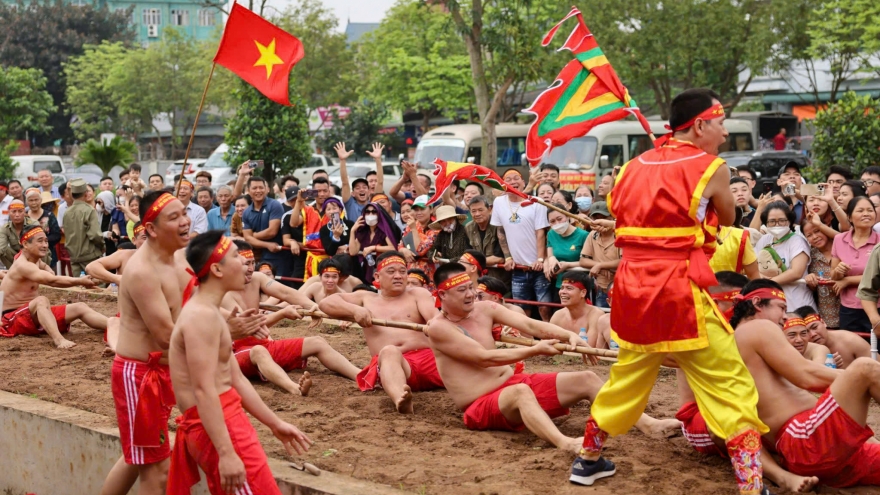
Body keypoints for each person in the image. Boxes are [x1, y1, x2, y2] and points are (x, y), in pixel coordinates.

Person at [571, 89, 769, 494]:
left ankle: (587, 460)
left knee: (625, 378)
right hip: (678, 290)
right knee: (731, 383)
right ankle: (752, 486)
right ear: (700, 125)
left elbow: (622, 213)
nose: (726, 132)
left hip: (632, 290)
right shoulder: (712, 167)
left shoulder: (630, 167)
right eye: (720, 122)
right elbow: (730, 218)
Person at [426, 263, 679, 450]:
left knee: (587, 378)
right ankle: (564, 442)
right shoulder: (438, 327)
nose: (470, 294)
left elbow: (534, 326)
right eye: (461, 291)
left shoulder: (485, 308)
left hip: (512, 384)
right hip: (480, 405)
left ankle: (648, 424)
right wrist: (535, 349)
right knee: (520, 393)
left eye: (471, 288)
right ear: (443, 295)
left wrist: (568, 336)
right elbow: (483, 358)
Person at [166, 232, 311, 494]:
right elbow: (204, 390)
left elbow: (235, 379)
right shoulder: (201, 317)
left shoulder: (210, 312)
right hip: (219, 429)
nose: (246, 263)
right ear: (216, 269)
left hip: (227, 423)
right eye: (236, 257)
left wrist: (275, 423)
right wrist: (226, 452)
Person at [731, 279, 880, 490]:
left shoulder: (738, 341)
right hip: (806, 441)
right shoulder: (757, 326)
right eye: (781, 307)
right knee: (865, 368)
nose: (785, 316)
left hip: (820, 452)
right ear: (757, 303)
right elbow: (806, 376)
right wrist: (854, 379)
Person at [676, 280, 821, 494]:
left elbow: (816, 353)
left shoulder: (755, 333)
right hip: (699, 417)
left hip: (734, 409)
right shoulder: (706, 333)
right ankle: (781, 477)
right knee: (738, 420)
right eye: (781, 308)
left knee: (754, 417)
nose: (784, 317)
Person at [102, 190, 190, 495]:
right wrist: (223, 332)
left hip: (167, 373)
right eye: (174, 217)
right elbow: (166, 336)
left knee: (138, 456)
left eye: (184, 213)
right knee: (156, 467)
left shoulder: (178, 257)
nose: (185, 222)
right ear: (151, 229)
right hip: (140, 376)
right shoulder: (141, 270)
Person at [222, 240, 360, 396]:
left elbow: (287, 293)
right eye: (246, 264)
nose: (251, 268)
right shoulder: (223, 290)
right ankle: (294, 388)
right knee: (259, 351)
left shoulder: (257, 278)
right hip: (238, 353)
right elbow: (246, 327)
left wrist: (312, 307)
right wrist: (282, 313)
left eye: (253, 263)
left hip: (265, 344)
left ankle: (361, 375)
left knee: (317, 342)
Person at [318, 252, 442, 414]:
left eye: (402, 271)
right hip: (394, 366)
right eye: (391, 272)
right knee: (389, 351)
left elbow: (435, 319)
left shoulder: (418, 294)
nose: (398, 276)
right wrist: (355, 310)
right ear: (377, 276)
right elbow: (326, 303)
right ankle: (400, 398)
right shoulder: (366, 298)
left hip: (428, 359)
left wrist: (434, 324)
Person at [0, 224, 104, 347]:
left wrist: (48, 268)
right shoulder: (23, 265)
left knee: (79, 307)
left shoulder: (32, 258)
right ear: (25, 244)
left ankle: (116, 324)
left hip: (32, 316)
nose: (45, 245)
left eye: (46, 241)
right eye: (40, 241)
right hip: (12, 320)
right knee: (41, 301)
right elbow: (52, 281)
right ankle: (59, 340)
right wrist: (80, 281)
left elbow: (42, 266)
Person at [492, 169, 552, 321]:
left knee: (544, 308)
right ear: (503, 185)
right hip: (518, 268)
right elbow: (501, 232)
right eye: (508, 179)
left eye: (516, 178)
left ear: (524, 182)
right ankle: (527, 339)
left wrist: (540, 259)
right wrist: (508, 257)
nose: (513, 182)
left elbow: (540, 233)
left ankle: (550, 338)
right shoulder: (499, 202)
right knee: (521, 310)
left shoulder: (536, 202)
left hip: (538, 267)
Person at [830, 196, 879, 332]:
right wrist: (839, 272)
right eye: (860, 210)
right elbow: (833, 275)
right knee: (850, 348)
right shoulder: (839, 239)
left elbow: (876, 277)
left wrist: (847, 280)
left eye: (870, 210)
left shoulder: (879, 242)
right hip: (848, 308)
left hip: (876, 307)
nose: (866, 214)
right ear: (850, 217)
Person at [754, 201, 815, 310]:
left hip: (797, 303)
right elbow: (754, 266)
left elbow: (796, 272)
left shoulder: (797, 241)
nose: (777, 224)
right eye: (772, 221)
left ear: (790, 221)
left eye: (782, 220)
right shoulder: (764, 240)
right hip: (771, 303)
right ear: (765, 223)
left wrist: (765, 282)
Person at [794, 306, 870, 369]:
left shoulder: (851, 340)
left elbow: (876, 367)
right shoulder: (799, 350)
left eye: (815, 327)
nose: (813, 334)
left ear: (823, 322)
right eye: (805, 332)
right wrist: (827, 368)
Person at [288, 177, 332, 280]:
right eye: (318, 191)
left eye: (325, 191)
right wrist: (298, 202)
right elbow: (293, 223)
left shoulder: (336, 209)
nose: (322, 194)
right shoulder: (308, 210)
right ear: (313, 192)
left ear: (329, 191)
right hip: (312, 257)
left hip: (330, 257)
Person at [242, 176, 287, 273]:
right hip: (258, 257)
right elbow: (247, 239)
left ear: (266, 189)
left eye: (261, 187)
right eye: (254, 188)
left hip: (279, 256)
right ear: (248, 191)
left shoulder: (274, 205)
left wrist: (254, 235)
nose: (258, 191)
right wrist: (267, 245)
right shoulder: (246, 212)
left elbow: (271, 232)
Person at [578, 202, 619, 308]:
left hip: (620, 288)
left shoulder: (620, 235)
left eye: (604, 217)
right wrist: (600, 265)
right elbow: (583, 260)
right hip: (602, 288)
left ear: (613, 218)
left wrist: (600, 266)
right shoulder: (592, 235)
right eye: (596, 218)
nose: (600, 222)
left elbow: (625, 260)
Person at [549, 271, 606, 346]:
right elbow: (546, 345)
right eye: (562, 288)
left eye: (569, 288)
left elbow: (589, 348)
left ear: (583, 293)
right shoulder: (558, 315)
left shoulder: (596, 315)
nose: (563, 292)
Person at [62, 179, 104, 276]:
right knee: (97, 284)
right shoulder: (89, 210)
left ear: (72, 194)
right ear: (85, 193)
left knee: (79, 285)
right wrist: (102, 246)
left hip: (74, 255)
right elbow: (95, 235)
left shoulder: (67, 212)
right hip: (90, 255)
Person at [802, 221, 840, 328]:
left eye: (817, 231)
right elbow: (812, 290)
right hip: (827, 319)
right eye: (809, 235)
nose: (814, 237)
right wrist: (809, 280)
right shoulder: (809, 256)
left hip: (850, 312)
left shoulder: (843, 247)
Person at [349, 202, 398, 285]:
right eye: (367, 212)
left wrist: (373, 248)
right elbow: (353, 252)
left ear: (379, 214)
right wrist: (352, 231)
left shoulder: (383, 231)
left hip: (381, 268)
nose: (370, 214)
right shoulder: (363, 232)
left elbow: (393, 248)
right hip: (364, 269)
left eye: (374, 212)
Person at [545, 205, 588, 295]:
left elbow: (590, 262)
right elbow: (550, 254)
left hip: (580, 284)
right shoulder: (551, 234)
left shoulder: (584, 235)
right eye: (552, 221)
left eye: (559, 219)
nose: (557, 223)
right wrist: (551, 258)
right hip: (561, 284)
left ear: (567, 216)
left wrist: (568, 265)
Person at [0, 200, 49, 269]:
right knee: (4, 250)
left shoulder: (33, 224)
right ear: (9, 213)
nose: (17, 215)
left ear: (25, 213)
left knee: (41, 248)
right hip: (16, 256)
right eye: (14, 211)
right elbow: (1, 248)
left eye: (20, 211)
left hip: (32, 254)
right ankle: (13, 272)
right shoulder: (5, 228)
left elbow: (39, 243)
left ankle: (38, 271)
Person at [26, 189, 62, 266]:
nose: (34, 203)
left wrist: (41, 242)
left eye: (36, 200)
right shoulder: (24, 216)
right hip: (28, 257)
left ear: (41, 200)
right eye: (31, 200)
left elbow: (56, 235)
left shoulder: (49, 215)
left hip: (48, 255)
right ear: (27, 202)